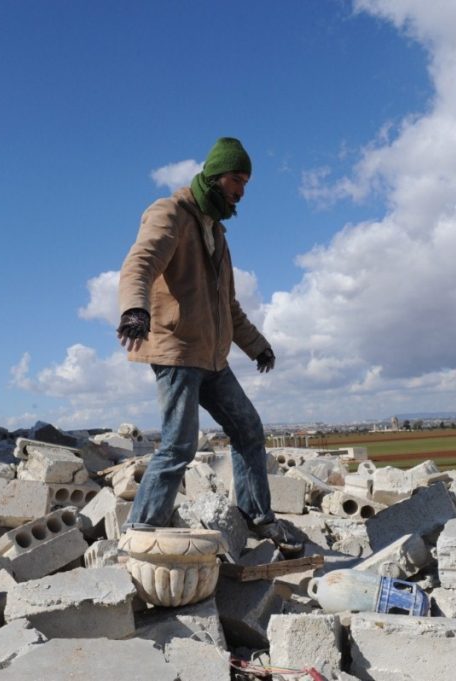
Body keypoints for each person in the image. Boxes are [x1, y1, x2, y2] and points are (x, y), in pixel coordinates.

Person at [116, 137, 302, 556]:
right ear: (215, 176)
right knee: (179, 445)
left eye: (246, 183)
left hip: (212, 358)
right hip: (178, 353)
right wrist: (134, 310)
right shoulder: (171, 213)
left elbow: (227, 305)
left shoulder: (217, 232)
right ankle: (139, 534)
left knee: (248, 429)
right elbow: (140, 263)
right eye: (236, 179)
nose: (241, 191)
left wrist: (258, 346)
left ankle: (257, 516)